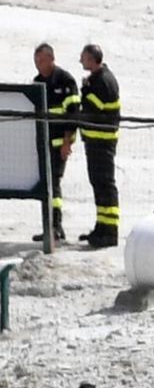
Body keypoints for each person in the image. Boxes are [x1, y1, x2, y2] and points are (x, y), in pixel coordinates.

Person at [31, 43, 81, 242]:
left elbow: (73, 114)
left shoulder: (65, 80)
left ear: (51, 59)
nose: (38, 65)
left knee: (54, 183)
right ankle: (50, 226)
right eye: (36, 61)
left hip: (60, 143)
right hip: (43, 143)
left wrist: (67, 142)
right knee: (47, 184)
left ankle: (55, 226)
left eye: (41, 61)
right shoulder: (37, 82)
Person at [77, 44, 121, 248]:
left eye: (83, 58)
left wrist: (85, 89)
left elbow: (92, 106)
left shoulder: (103, 80)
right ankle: (101, 227)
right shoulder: (99, 78)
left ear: (93, 59)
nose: (81, 61)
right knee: (99, 185)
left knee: (105, 185)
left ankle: (110, 231)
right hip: (95, 142)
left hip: (102, 143)